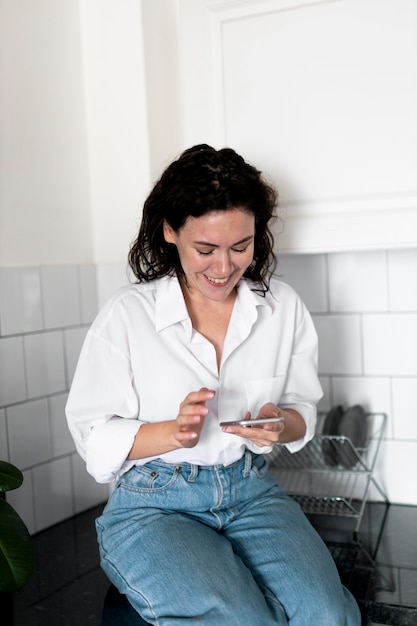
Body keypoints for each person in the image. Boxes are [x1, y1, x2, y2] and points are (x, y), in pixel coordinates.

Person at [66, 144, 361, 625]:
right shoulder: (127, 315)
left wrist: (277, 425)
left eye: (239, 246)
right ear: (169, 231)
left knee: (327, 614)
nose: (223, 268)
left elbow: (300, 411)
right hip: (153, 505)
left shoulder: (281, 307)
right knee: (241, 620)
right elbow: (91, 435)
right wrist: (172, 431)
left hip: (251, 492)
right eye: (205, 249)